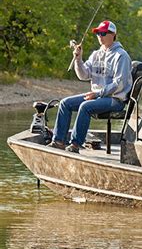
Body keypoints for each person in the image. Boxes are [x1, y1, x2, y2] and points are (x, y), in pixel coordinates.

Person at [49, 20, 133, 153]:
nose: (100, 36)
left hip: (115, 100)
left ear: (113, 34)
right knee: (65, 103)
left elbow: (119, 84)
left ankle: (75, 145)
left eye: (103, 33)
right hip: (96, 97)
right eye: (98, 33)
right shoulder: (96, 54)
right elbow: (83, 75)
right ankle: (58, 141)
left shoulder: (121, 56)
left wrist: (98, 94)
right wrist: (78, 59)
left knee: (85, 106)